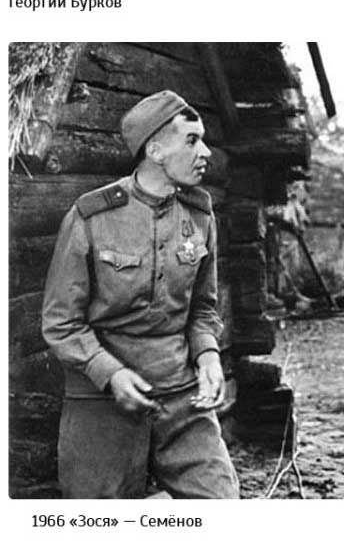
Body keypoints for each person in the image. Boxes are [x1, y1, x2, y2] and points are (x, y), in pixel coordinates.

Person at [42, 90, 239, 498]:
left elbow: (203, 308)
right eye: (191, 140)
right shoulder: (91, 217)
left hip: (181, 396)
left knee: (221, 503)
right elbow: (61, 322)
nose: (205, 152)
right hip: (101, 400)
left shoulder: (200, 216)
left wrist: (208, 355)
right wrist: (109, 373)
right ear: (155, 150)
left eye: (203, 140)